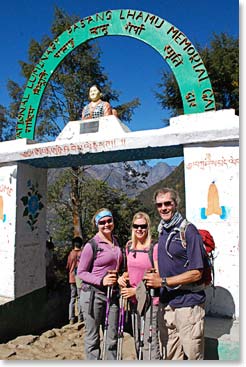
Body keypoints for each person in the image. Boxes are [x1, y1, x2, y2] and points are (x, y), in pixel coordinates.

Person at [144, 187, 206, 360]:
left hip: (188, 304)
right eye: (159, 205)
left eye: (167, 203)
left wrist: (162, 281)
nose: (163, 208)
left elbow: (196, 273)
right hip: (167, 304)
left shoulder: (189, 231)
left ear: (176, 204)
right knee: (170, 356)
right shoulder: (163, 230)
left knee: (193, 356)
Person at [77, 208, 123, 360]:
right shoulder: (92, 245)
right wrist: (101, 280)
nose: (106, 224)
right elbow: (81, 272)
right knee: (93, 338)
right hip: (93, 295)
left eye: (109, 220)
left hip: (112, 294)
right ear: (97, 224)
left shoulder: (116, 242)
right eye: (102, 222)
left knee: (112, 337)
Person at [118, 212, 160, 360]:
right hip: (133, 301)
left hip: (149, 300)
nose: (139, 229)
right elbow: (129, 271)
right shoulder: (129, 246)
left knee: (150, 341)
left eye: (143, 226)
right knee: (137, 340)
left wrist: (136, 291)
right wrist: (122, 278)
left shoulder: (154, 248)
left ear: (148, 227)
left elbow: (158, 277)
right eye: (136, 226)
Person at [66, 236, 83, 325]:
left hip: (72, 278)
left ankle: (71, 318)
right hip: (80, 278)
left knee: (72, 298)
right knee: (80, 297)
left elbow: (68, 266)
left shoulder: (71, 254)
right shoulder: (82, 253)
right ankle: (80, 317)